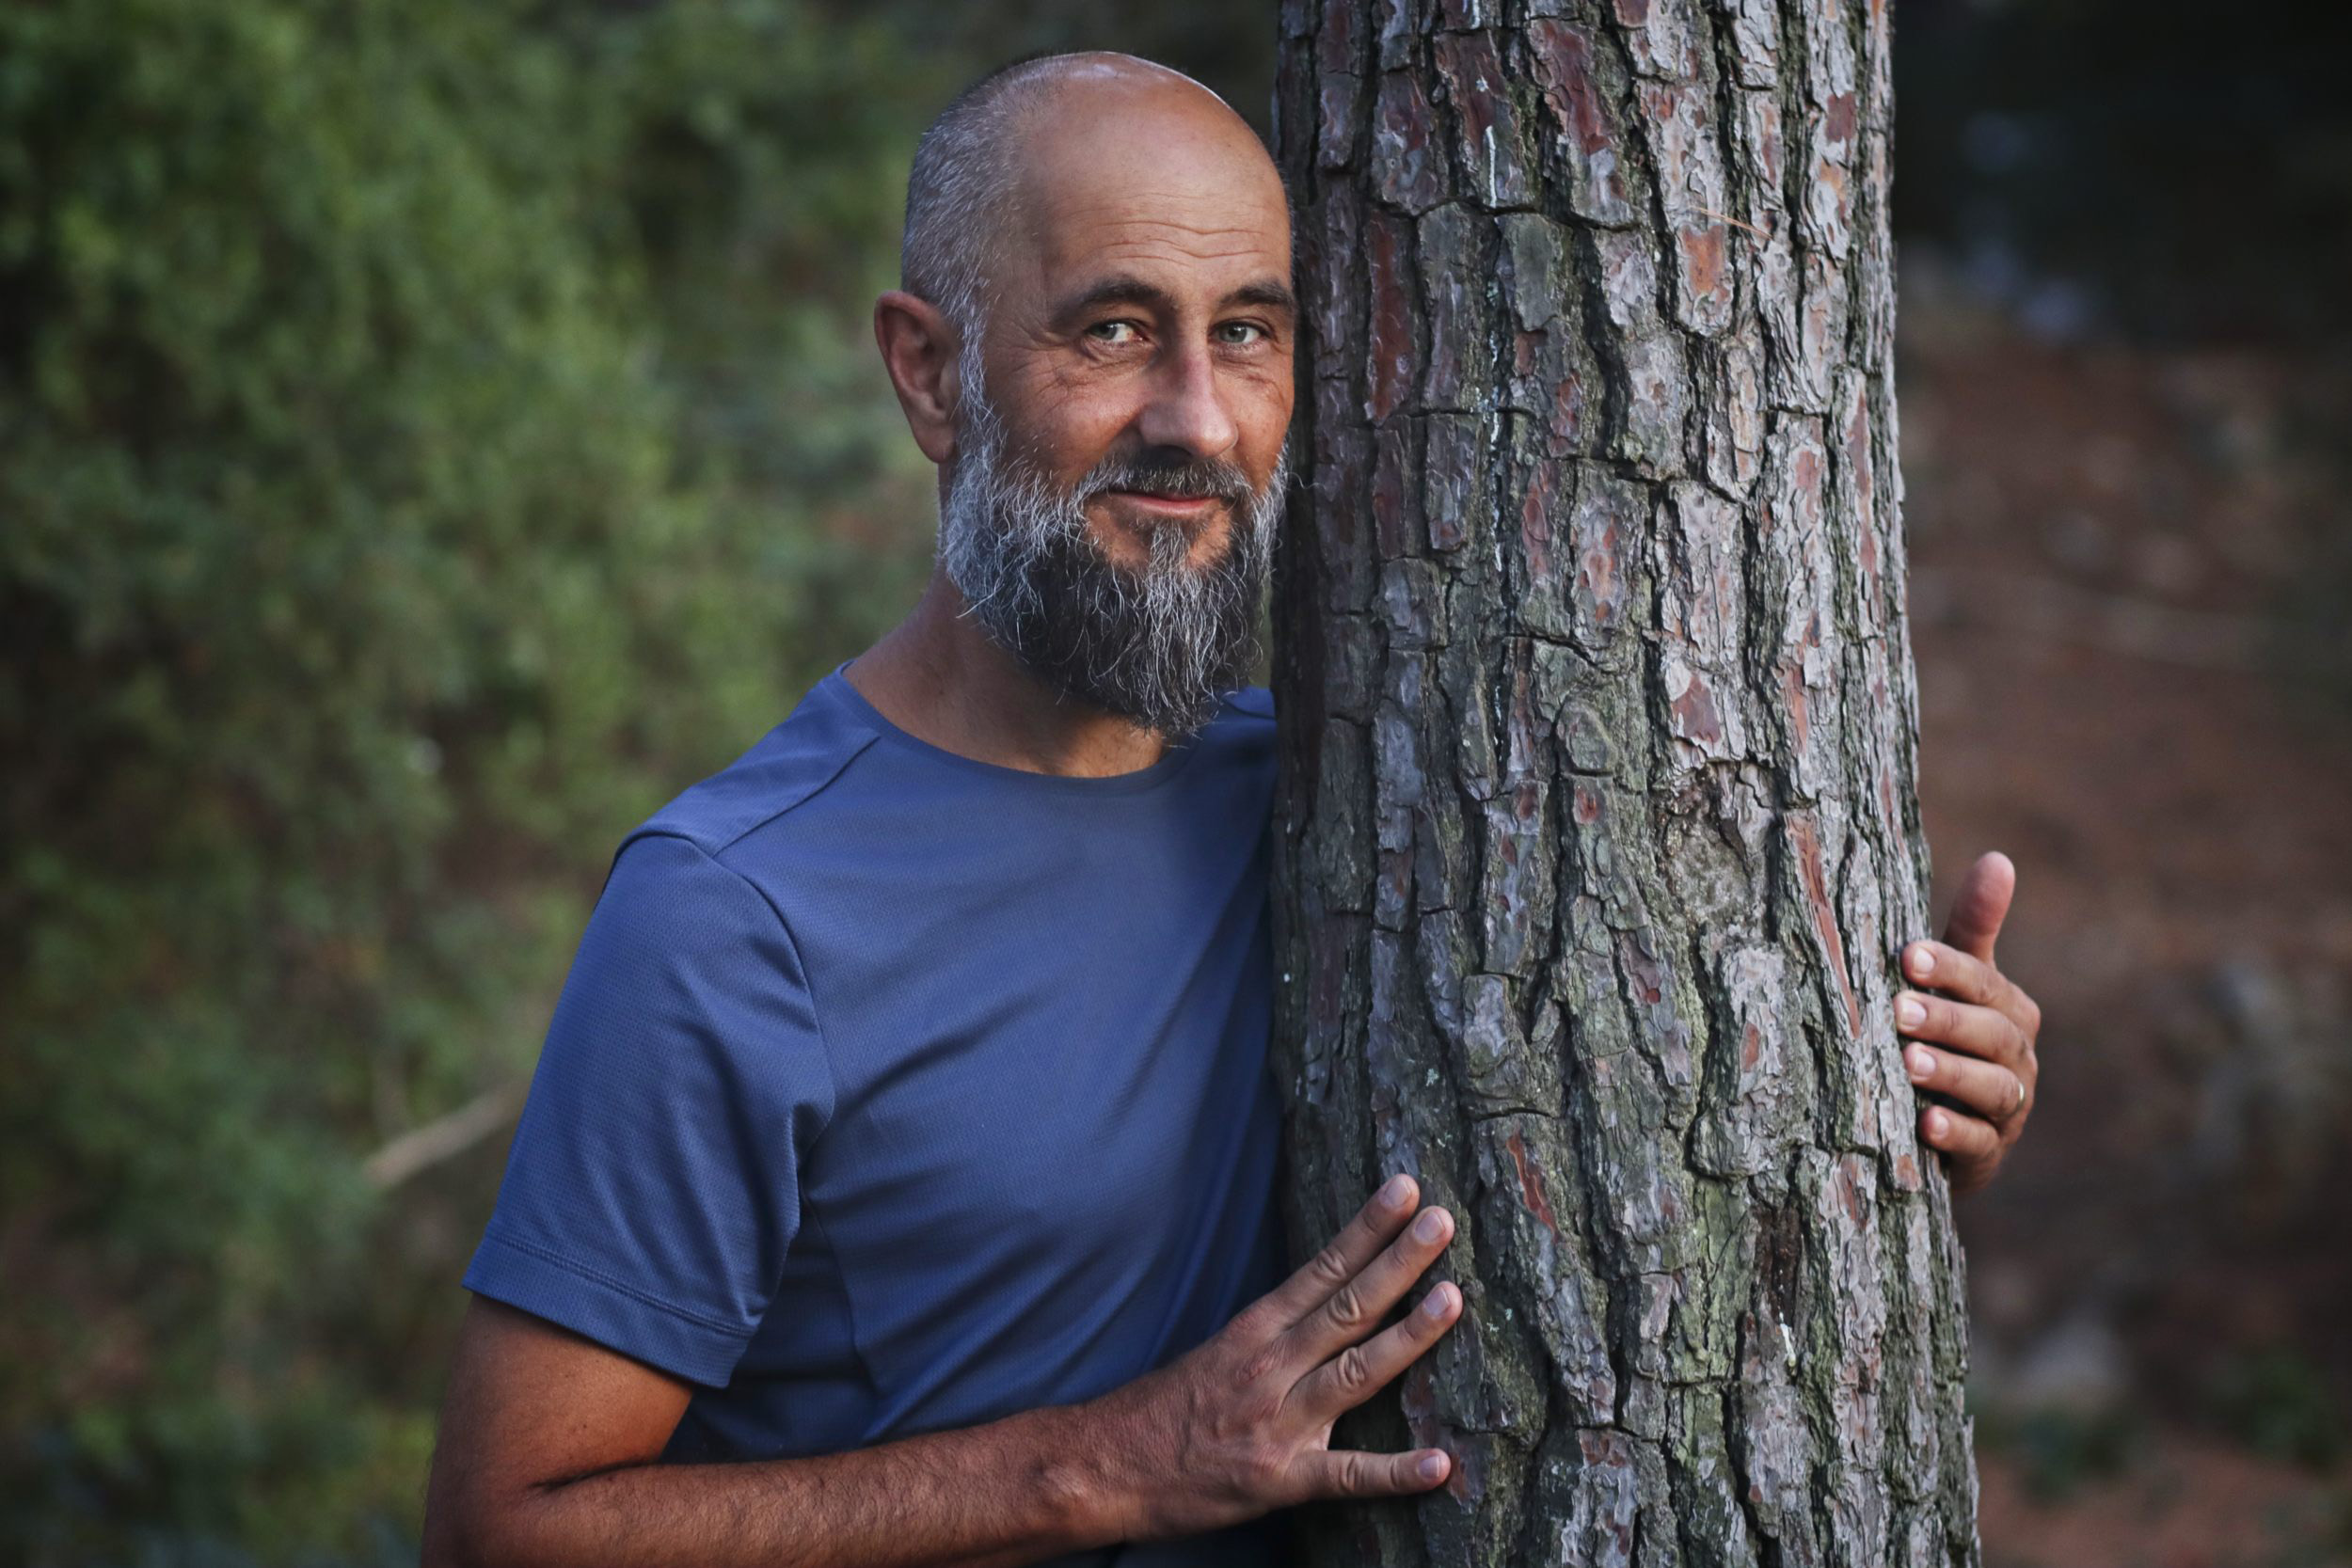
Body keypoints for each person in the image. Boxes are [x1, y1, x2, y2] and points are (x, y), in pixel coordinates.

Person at [420, 50, 2044, 1568]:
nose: (1196, 418)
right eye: (1112, 329)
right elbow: (507, 1526)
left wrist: (1891, 1107)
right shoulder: (735, 913)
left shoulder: (1376, 800)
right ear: (928, 373)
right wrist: (1106, 1463)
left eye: (1248, 332)